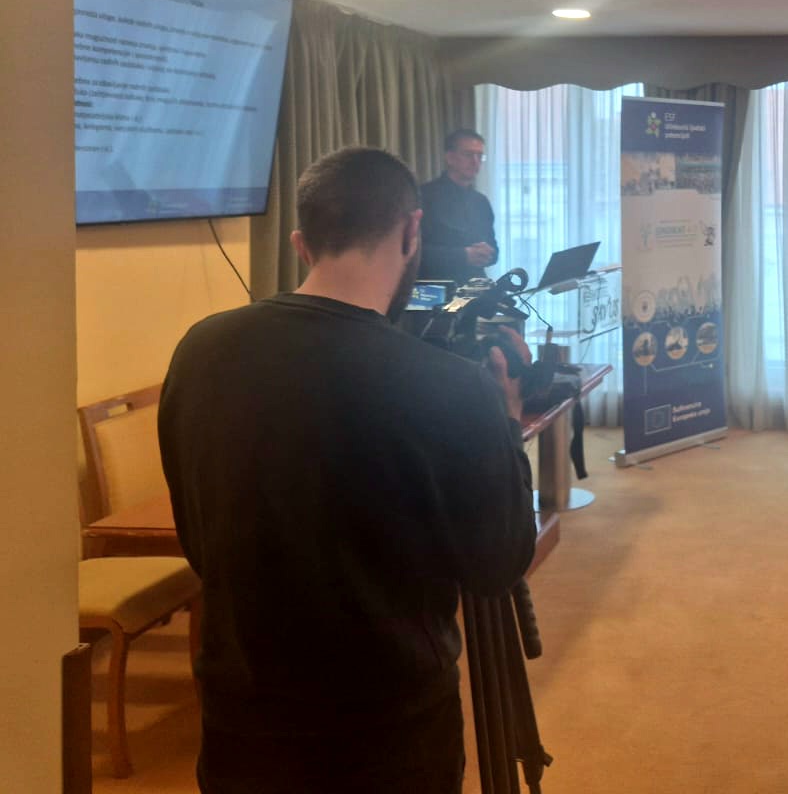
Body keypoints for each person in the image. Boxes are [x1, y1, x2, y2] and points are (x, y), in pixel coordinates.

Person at [159, 147, 537, 793]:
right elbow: (497, 563)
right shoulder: (451, 385)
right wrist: (506, 419)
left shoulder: (199, 349)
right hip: (391, 734)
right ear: (413, 231)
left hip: (239, 725)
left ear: (301, 244)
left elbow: (199, 541)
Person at [419, 128, 499, 283]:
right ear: (450, 158)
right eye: (468, 155)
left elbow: (494, 251)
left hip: (476, 288)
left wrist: (488, 253)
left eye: (480, 156)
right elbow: (415, 252)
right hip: (437, 288)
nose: (475, 161)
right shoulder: (424, 196)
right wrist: (463, 255)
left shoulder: (481, 202)